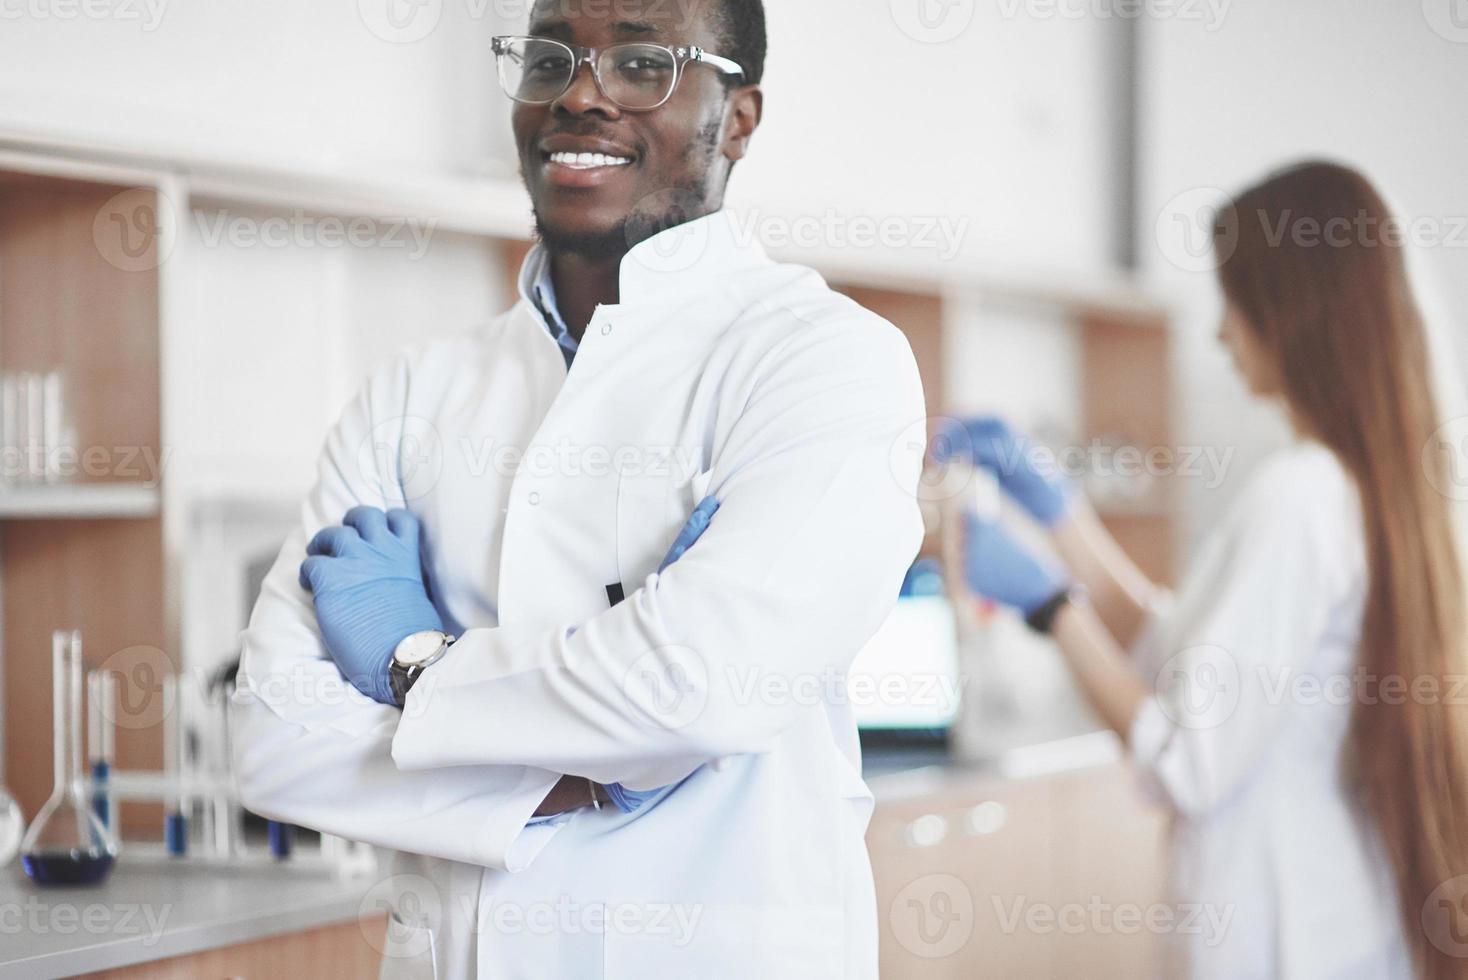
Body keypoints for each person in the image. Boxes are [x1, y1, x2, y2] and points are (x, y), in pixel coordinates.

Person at [228, 1, 927, 977]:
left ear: (738, 119)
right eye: (550, 56)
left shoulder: (824, 361)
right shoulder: (411, 393)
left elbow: (702, 686)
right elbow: (273, 733)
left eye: (643, 62)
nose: (581, 93)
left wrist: (412, 662)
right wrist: (606, 766)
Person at [939, 162, 1468, 979]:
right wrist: (1060, 514)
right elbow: (1178, 646)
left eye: (1235, 303)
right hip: (1336, 922)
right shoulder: (1358, 489)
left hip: (1285, 936)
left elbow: (1185, 761)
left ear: (1293, 313)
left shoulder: (1301, 496)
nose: (1221, 334)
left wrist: (1051, 607)